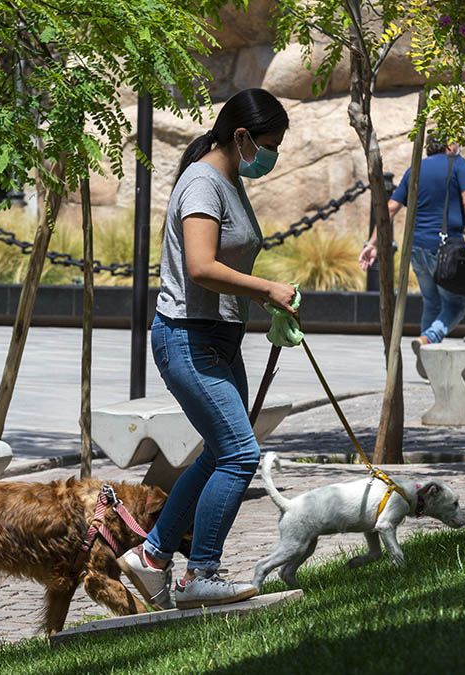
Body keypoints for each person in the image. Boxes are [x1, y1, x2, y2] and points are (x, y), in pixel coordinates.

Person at [118, 88, 297, 609]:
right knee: (241, 454)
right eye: (269, 145)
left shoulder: (229, 180)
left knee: (222, 451)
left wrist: (262, 301)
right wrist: (266, 289)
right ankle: (201, 573)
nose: (272, 156)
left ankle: (152, 556)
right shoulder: (202, 183)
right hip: (188, 337)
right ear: (241, 136)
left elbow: (226, 267)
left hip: (218, 335)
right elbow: (200, 266)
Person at [359, 134, 465, 380]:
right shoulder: (457, 164)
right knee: (456, 305)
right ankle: (428, 339)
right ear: (449, 145)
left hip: (415, 248)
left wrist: (371, 244)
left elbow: (390, 207)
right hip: (446, 250)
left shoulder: (415, 168)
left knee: (432, 302)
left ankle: (428, 361)